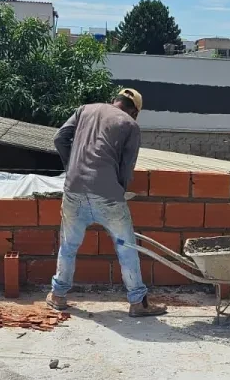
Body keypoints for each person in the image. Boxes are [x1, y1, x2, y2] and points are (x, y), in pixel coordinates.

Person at [48, 88, 167, 316]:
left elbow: (59, 138)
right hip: (108, 195)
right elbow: (127, 166)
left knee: (68, 246)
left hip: (73, 190)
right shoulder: (130, 125)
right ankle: (137, 303)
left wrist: (71, 167)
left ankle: (58, 296)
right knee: (127, 248)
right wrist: (118, 189)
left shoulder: (85, 110)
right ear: (135, 112)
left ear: (115, 100)